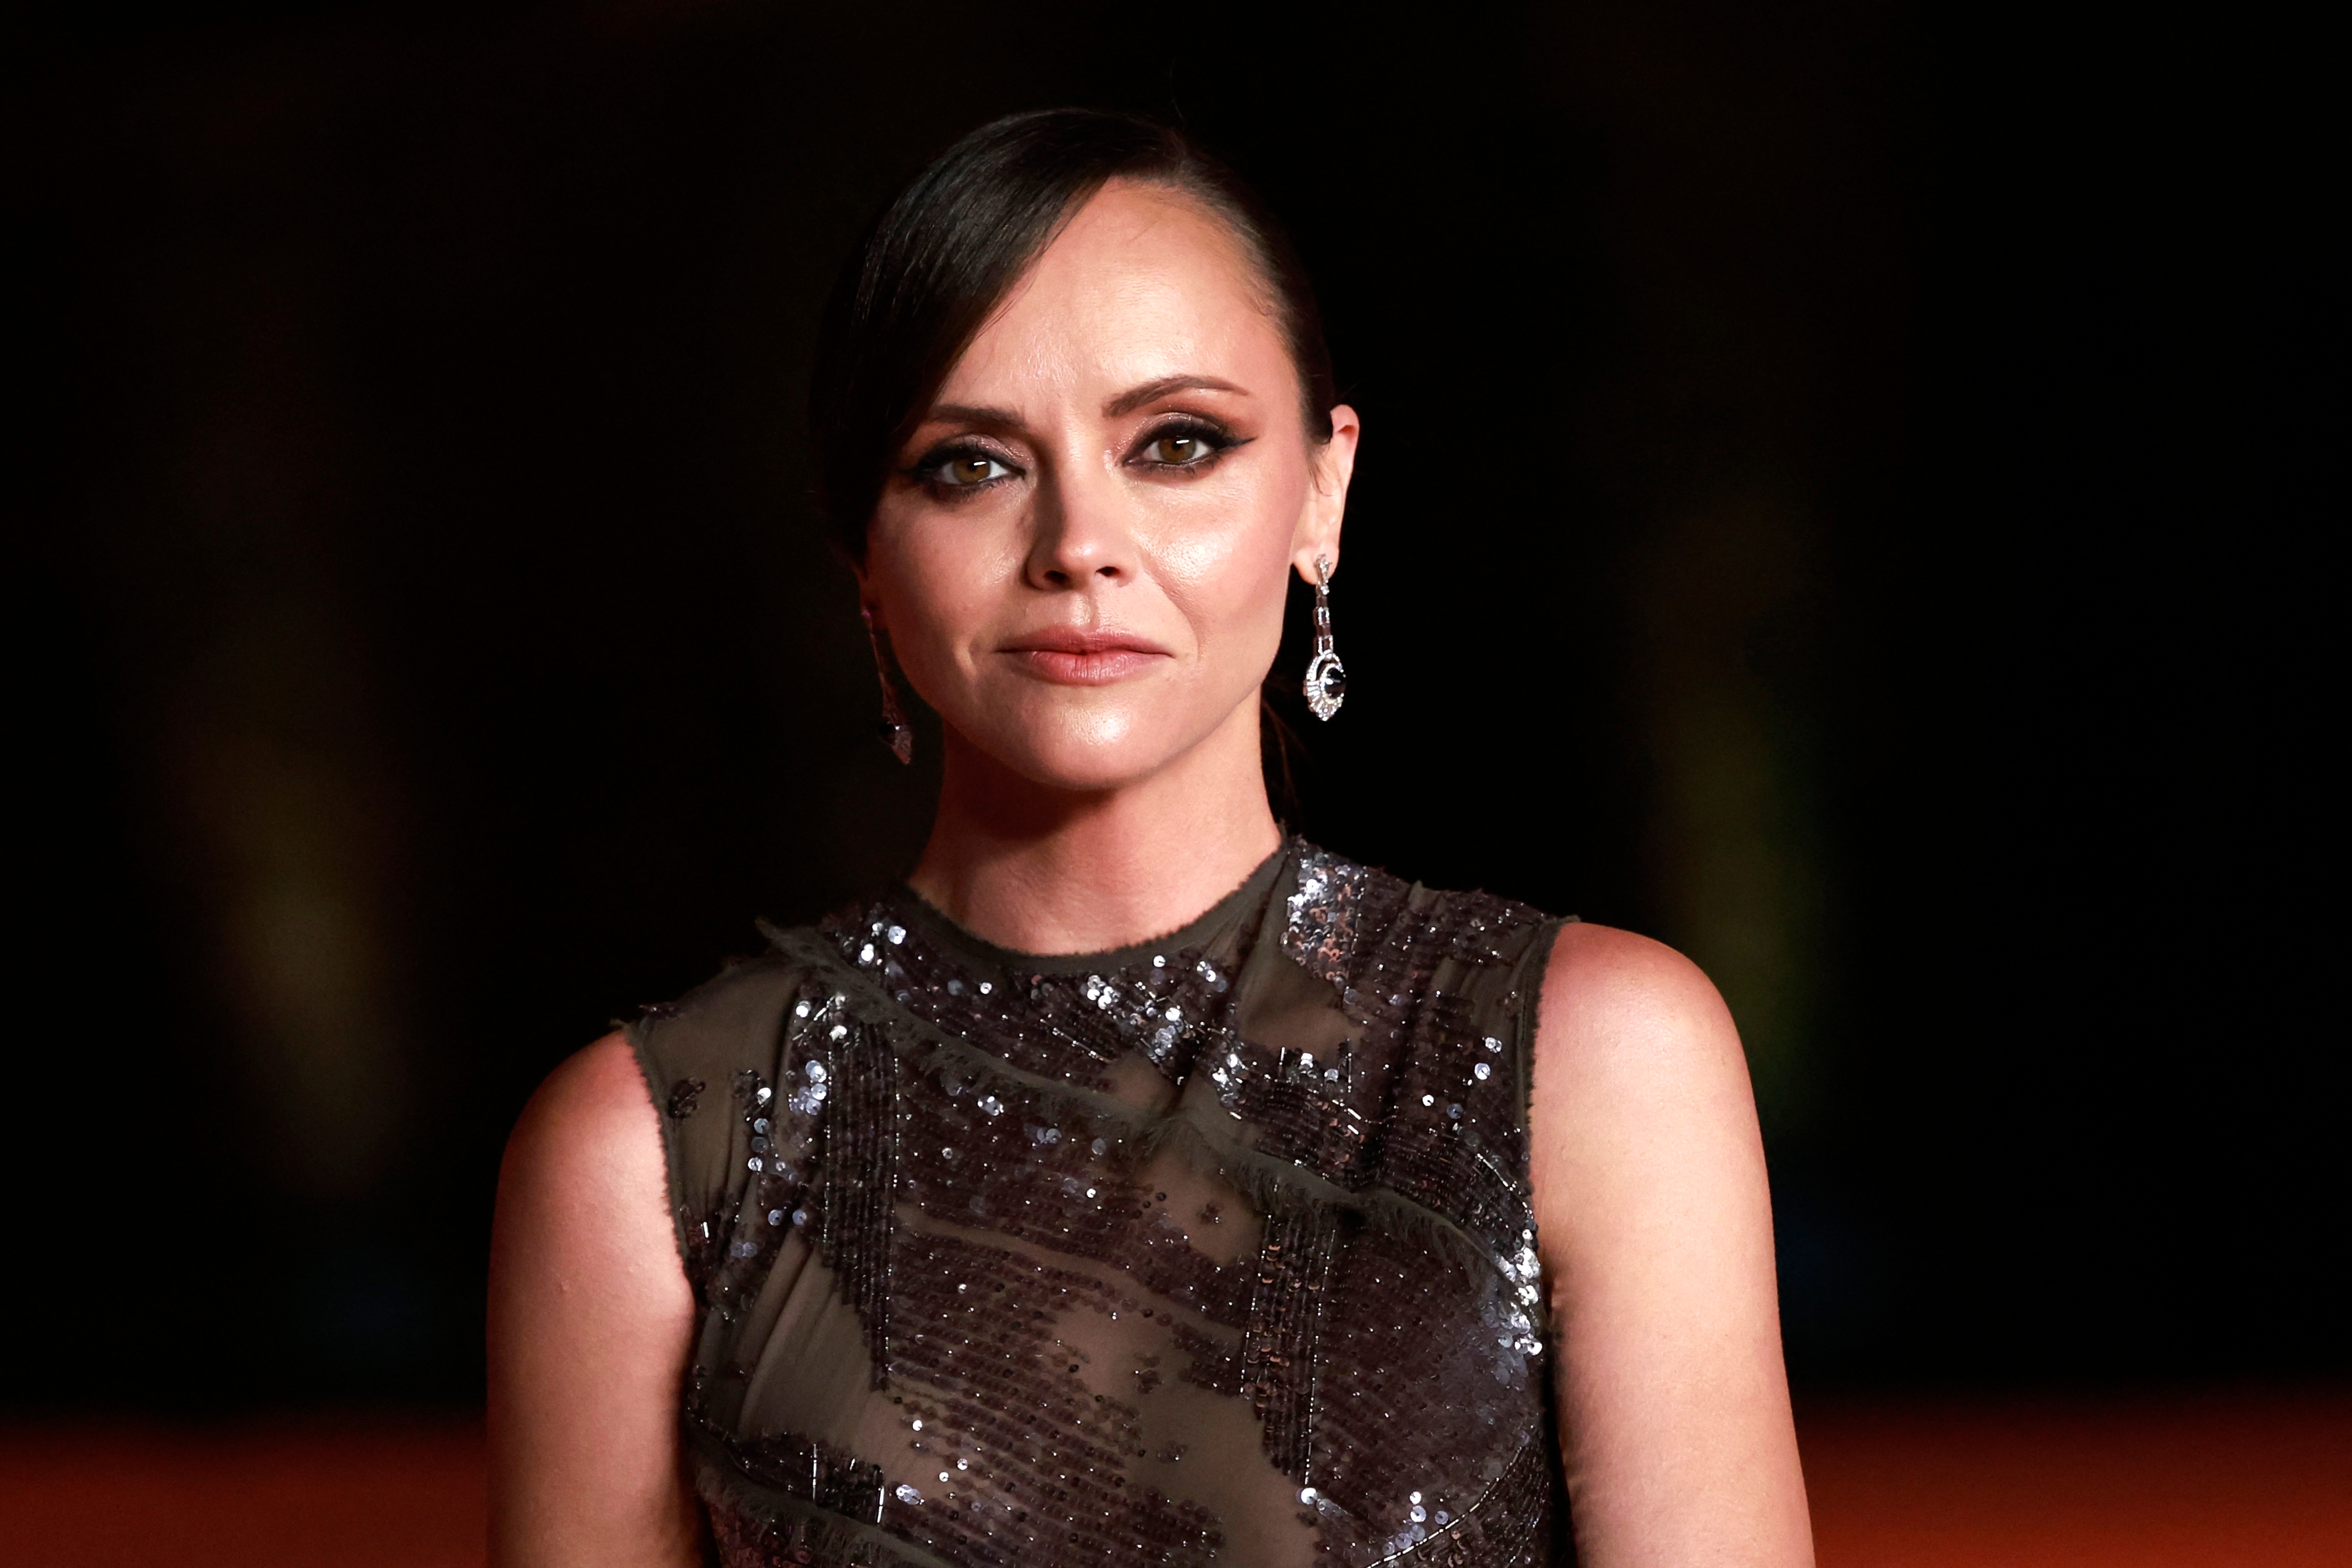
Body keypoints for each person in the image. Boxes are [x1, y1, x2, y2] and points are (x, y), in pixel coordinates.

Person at [488, 109, 1812, 1568]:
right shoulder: (645, 1154)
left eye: (1176, 444)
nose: (1079, 544)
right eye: (970, 464)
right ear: (862, 550)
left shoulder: (1596, 1063)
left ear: (1322, 490)